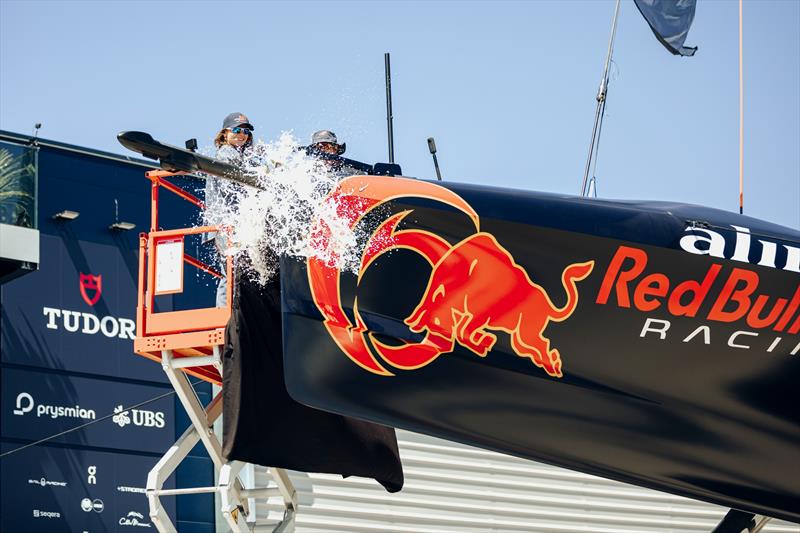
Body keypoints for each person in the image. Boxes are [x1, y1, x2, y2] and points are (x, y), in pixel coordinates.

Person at [205, 112, 255, 307]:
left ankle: (230, 311)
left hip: (229, 223)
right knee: (230, 272)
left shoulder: (239, 154)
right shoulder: (227, 153)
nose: (241, 134)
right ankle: (224, 314)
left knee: (234, 271)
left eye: (245, 131)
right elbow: (234, 191)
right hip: (225, 223)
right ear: (225, 133)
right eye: (236, 130)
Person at [306, 130, 372, 175]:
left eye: (328, 147)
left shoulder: (354, 173)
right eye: (320, 148)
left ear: (336, 150)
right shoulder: (307, 173)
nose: (325, 151)